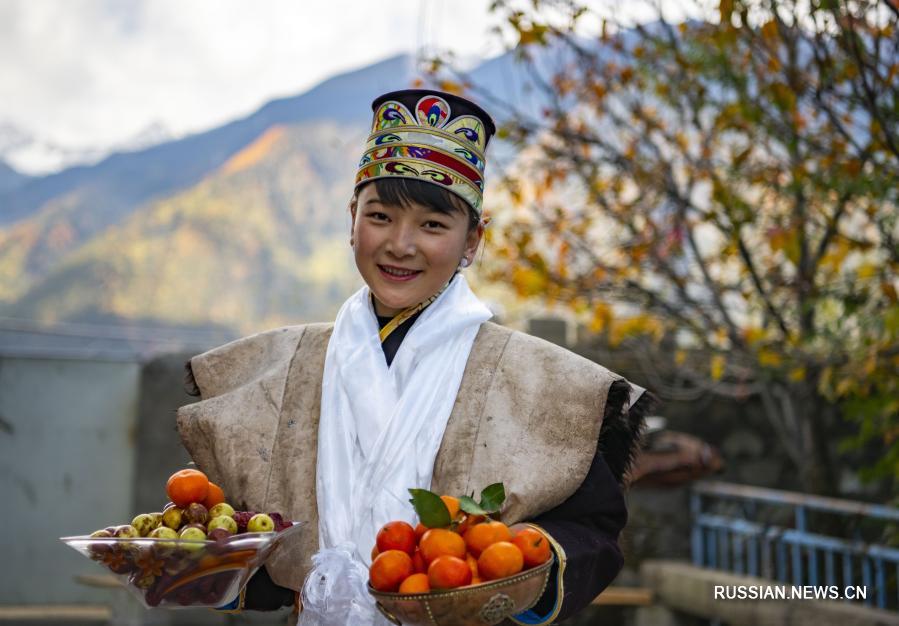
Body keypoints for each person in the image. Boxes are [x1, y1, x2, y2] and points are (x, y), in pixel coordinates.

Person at [177, 89, 652, 625]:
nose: (400, 244)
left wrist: (509, 570)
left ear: (472, 242)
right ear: (352, 217)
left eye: (432, 225)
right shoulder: (281, 366)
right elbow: (266, 551)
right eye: (380, 216)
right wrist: (200, 572)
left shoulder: (538, 381)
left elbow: (590, 532)